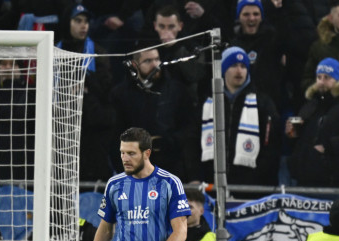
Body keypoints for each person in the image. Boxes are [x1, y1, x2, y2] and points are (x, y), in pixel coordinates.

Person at [112, 47, 197, 181]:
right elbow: (115, 135)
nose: (155, 65)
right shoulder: (121, 94)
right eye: (148, 61)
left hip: (172, 167)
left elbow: (188, 130)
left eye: (157, 59)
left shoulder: (176, 90)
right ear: (134, 65)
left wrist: (170, 141)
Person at [199, 46, 280, 187]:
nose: (239, 71)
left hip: (252, 185)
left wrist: (257, 178)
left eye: (243, 66)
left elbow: (272, 146)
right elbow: (193, 140)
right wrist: (196, 176)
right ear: (223, 70)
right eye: (234, 65)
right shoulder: (208, 102)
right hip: (211, 182)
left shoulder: (263, 103)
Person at [287, 57, 339, 188]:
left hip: (334, 182)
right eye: (319, 77)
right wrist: (293, 133)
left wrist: (328, 147)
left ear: (338, 80)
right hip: (304, 179)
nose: (321, 82)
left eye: (327, 77)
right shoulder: (311, 104)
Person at [57, 4, 116, 184]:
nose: (83, 26)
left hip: (92, 127)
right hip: (62, 125)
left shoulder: (98, 52)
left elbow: (106, 89)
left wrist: (87, 83)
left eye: (86, 21)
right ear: (67, 23)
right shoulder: (53, 51)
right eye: (78, 21)